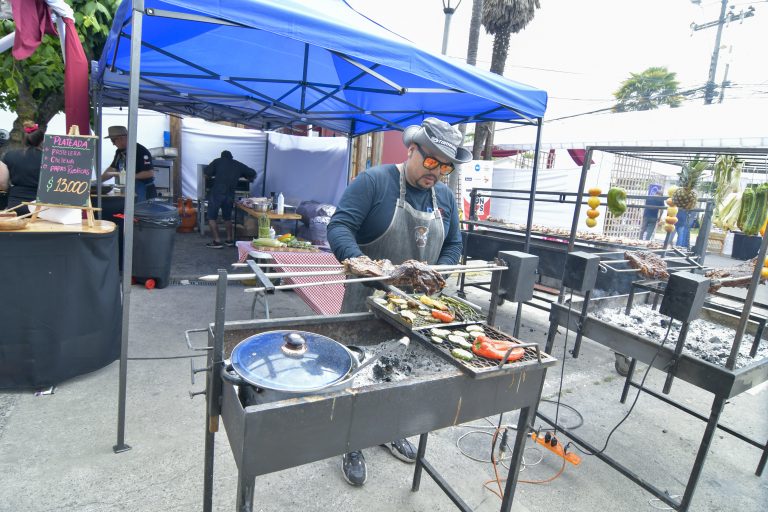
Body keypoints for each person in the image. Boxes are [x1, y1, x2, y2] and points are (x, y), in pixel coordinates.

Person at [327, 117, 469, 486]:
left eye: (445, 166)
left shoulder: (447, 198)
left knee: (396, 372)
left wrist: (441, 272)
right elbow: (339, 227)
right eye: (431, 161)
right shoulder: (374, 182)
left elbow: (454, 243)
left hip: (414, 308)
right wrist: (363, 265)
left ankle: (389, 429)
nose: (436, 172)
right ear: (412, 150)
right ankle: (351, 441)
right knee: (358, 370)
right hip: (366, 297)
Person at [203, 150, 256, 248]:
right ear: (231, 157)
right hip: (230, 194)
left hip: (217, 193)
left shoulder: (217, 161)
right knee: (227, 217)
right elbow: (252, 172)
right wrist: (247, 177)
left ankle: (217, 241)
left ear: (222, 156)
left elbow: (206, 172)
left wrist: (213, 175)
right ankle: (229, 240)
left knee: (211, 217)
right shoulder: (237, 164)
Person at [100, 126, 156, 202]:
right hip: (130, 189)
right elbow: (112, 169)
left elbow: (149, 173)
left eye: (113, 141)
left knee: (139, 212)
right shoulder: (119, 152)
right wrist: (98, 181)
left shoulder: (141, 151)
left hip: (144, 190)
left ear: (121, 138)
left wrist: (129, 177)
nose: (113, 144)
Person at [0, 121, 45, 216]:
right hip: (43, 208)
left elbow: (2, 183)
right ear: (42, 140)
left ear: (24, 139)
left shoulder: (9, 156)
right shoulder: (51, 159)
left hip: (16, 206)